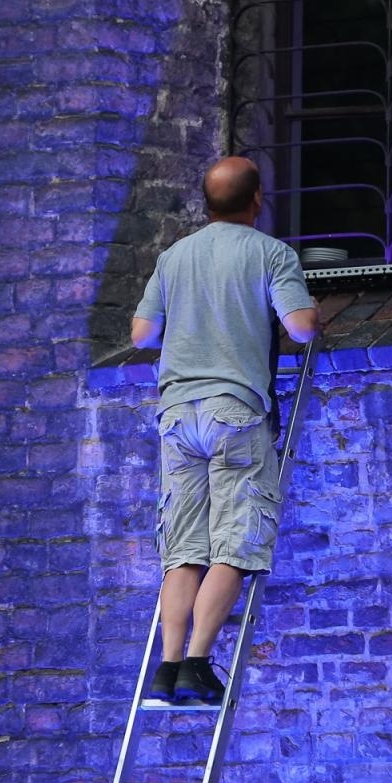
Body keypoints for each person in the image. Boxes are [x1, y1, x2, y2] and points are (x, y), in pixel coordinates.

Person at [130, 156, 320, 703]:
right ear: (256, 198)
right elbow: (301, 330)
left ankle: (165, 670)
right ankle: (197, 663)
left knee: (184, 550)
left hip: (177, 416)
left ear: (206, 203)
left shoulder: (173, 257)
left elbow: (143, 335)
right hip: (234, 413)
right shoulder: (270, 254)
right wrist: (314, 310)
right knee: (235, 547)